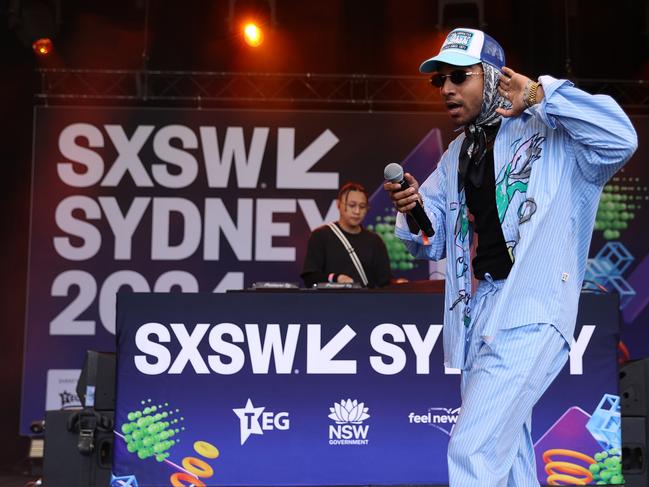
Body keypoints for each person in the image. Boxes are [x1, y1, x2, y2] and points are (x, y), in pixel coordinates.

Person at [384, 28, 637, 487]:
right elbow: (433, 238)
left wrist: (543, 94)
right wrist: (414, 208)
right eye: (439, 81)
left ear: (494, 76)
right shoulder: (458, 151)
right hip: (481, 310)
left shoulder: (553, 129)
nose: (446, 89)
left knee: (473, 447)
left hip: (535, 306)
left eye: (459, 77)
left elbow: (621, 139)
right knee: (509, 451)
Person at [301, 182, 392, 288]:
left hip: (365, 302)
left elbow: (385, 282)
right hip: (329, 301)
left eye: (362, 206)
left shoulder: (375, 241)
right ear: (338, 204)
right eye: (352, 205)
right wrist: (335, 278)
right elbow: (310, 277)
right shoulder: (320, 236)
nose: (357, 211)